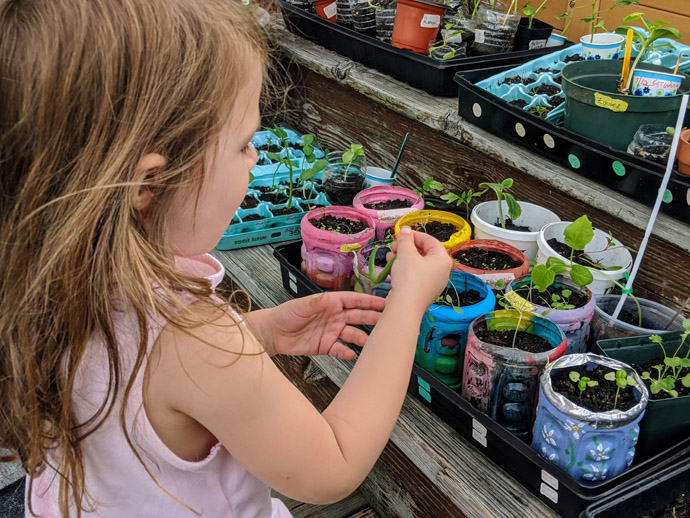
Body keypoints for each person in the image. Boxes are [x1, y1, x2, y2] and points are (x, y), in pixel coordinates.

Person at [0, 0, 453, 517]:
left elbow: (144, 386)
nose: (256, 159)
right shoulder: (198, 340)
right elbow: (335, 463)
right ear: (150, 183)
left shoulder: (42, 275)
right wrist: (408, 305)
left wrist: (256, 335)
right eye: (243, 145)